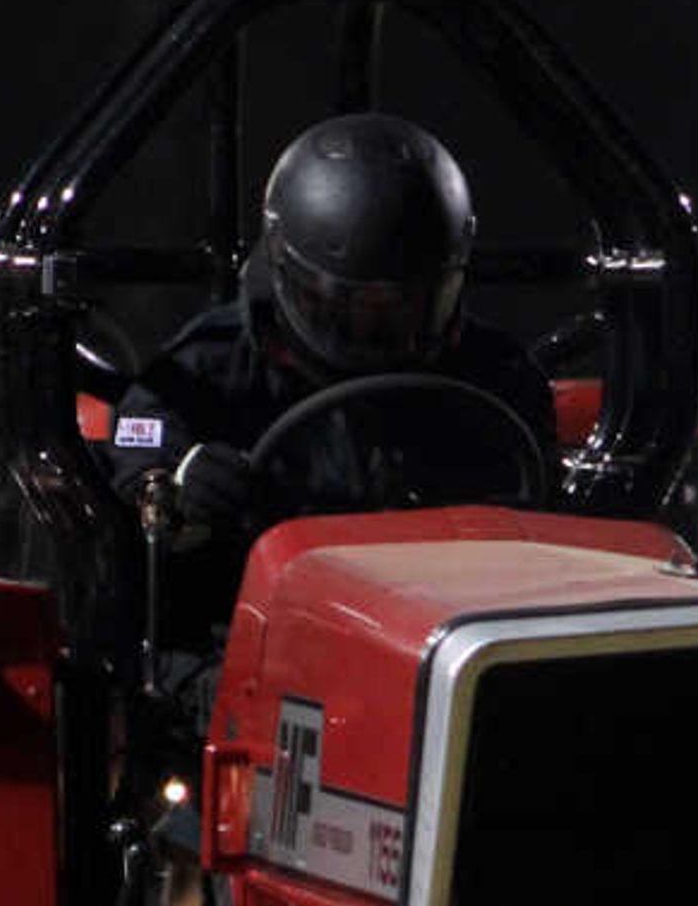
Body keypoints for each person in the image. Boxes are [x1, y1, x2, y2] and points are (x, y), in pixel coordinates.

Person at [108, 112, 555, 645]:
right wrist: (182, 484)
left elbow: (544, 536)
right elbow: (136, 458)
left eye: (400, 309)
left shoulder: (498, 380)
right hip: (255, 647)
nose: (370, 333)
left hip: (441, 647)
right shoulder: (203, 370)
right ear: (286, 273)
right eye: (342, 307)